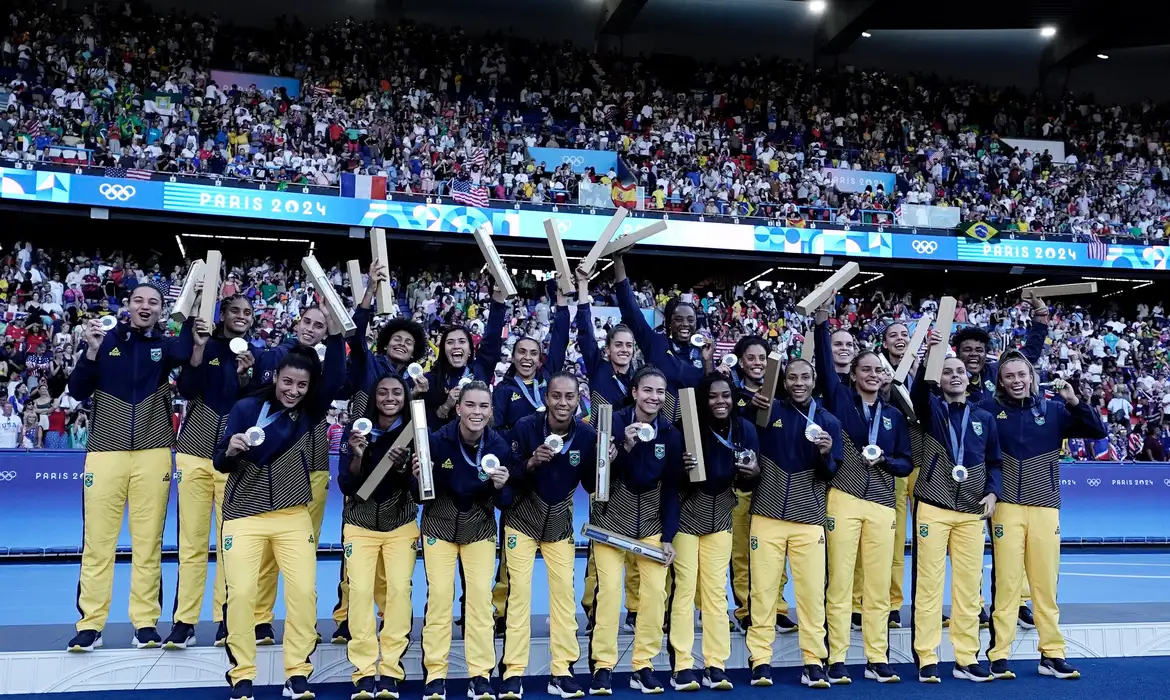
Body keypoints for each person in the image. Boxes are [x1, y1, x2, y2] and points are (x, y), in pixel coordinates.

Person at [214, 338, 345, 700]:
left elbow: (334, 377)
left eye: (302, 385)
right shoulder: (244, 408)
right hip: (244, 516)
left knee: (303, 593)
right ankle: (242, 674)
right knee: (240, 594)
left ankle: (298, 673)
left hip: (293, 516)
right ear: (276, 379)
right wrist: (231, 449)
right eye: (288, 382)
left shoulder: (309, 412)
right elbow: (219, 462)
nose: (293, 390)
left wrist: (336, 334)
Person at [66, 282, 192, 652]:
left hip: (153, 453)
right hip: (105, 452)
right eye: (139, 300)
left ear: (161, 310)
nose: (146, 306)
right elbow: (76, 390)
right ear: (127, 305)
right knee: (97, 544)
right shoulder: (104, 342)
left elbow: (186, 350)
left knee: (148, 543)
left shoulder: (166, 347)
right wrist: (90, 351)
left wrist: (190, 303)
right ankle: (91, 624)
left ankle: (145, 623)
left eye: (154, 302)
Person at [982, 350, 1107, 681]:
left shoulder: (1053, 410)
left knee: (1045, 586)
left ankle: (1052, 654)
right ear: (1000, 381)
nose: (1016, 381)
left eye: (1022, 374)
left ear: (1032, 377)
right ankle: (999, 655)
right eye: (1009, 376)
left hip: (1045, 506)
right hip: (1006, 506)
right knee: (1007, 584)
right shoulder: (989, 410)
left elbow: (1098, 431)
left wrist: (1074, 401)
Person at [815, 303, 913, 684]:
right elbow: (825, 367)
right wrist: (822, 324)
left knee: (876, 585)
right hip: (842, 496)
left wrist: (886, 460)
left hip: (883, 505)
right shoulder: (839, 401)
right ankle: (836, 657)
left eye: (878, 370)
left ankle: (877, 656)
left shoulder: (893, 415)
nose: (873, 375)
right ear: (853, 375)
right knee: (839, 582)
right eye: (865, 369)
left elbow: (905, 462)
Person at [332, 261, 426, 645]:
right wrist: (370, 290)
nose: (402, 344)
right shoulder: (368, 365)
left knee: (395, 546)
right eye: (396, 339)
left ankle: (390, 619)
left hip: (398, 466)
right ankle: (345, 617)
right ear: (385, 341)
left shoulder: (415, 382)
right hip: (362, 453)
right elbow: (354, 330)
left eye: (408, 342)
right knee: (353, 551)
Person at [250, 306, 348, 644]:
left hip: (313, 469)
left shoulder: (323, 372)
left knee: (304, 555)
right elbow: (253, 403)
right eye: (307, 321)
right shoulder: (271, 357)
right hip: (271, 467)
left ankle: (302, 624)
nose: (311, 328)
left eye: (320, 326)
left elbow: (338, 377)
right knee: (266, 552)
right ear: (297, 322)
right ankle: (260, 620)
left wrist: (337, 335)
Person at [166, 292, 258, 649]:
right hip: (193, 455)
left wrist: (244, 376)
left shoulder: (254, 353)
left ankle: (225, 619)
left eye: (247, 311)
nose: (241, 315)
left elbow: (251, 404)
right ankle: (184, 621)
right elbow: (187, 389)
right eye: (235, 310)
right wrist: (199, 350)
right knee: (191, 543)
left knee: (229, 545)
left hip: (232, 460)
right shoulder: (205, 342)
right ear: (222, 315)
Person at [587, 366, 685, 695]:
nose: (653, 397)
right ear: (634, 392)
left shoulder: (670, 433)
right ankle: (602, 666)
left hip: (651, 527)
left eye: (659, 392)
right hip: (611, 522)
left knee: (656, 594)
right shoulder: (611, 423)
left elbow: (671, 487)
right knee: (611, 593)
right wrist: (624, 448)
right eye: (647, 390)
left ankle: (643, 665)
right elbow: (596, 480)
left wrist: (669, 536)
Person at [499, 372, 596, 700]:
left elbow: (592, 487)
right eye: (557, 396)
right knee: (519, 596)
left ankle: (562, 671)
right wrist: (529, 463)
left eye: (570, 397)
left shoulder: (586, 435)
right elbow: (505, 472)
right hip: (522, 522)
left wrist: (605, 463)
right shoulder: (525, 427)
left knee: (564, 597)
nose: (563, 403)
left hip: (558, 525)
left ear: (578, 397)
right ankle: (513, 671)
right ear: (546, 398)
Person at [744, 358, 840, 689]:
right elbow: (743, 435)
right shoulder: (767, 412)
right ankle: (760, 660)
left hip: (809, 520)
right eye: (792, 377)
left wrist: (827, 453)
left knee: (812, 594)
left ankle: (813, 661)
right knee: (763, 592)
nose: (798, 382)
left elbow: (832, 474)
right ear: (784, 382)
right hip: (767, 515)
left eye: (805, 377)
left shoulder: (829, 421)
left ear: (814, 381)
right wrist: (748, 404)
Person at [416, 380, 513, 700]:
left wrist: (502, 486)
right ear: (458, 408)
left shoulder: (498, 446)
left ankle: (480, 674)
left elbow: (505, 503)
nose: (476, 411)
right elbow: (420, 494)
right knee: (441, 599)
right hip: (439, 529)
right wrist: (418, 476)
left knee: (481, 603)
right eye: (470, 405)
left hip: (479, 531)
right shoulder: (437, 440)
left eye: (483, 406)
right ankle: (435, 674)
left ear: (490, 412)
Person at [909, 348, 1001, 683]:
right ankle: (927, 657)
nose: (955, 375)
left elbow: (995, 462)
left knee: (968, 589)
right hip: (934, 506)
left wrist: (993, 491)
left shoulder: (984, 418)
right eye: (947, 371)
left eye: (960, 370)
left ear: (969, 377)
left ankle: (965, 658)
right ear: (940, 378)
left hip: (972, 510)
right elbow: (918, 392)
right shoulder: (931, 410)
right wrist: (926, 361)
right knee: (930, 586)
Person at [666, 373, 757, 691]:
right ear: (703, 400)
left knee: (717, 594)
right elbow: (671, 476)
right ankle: (682, 666)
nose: (721, 401)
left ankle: (715, 665)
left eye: (726, 396)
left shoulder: (744, 428)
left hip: (721, 518)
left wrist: (753, 473)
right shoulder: (686, 428)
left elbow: (749, 481)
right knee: (685, 591)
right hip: (687, 517)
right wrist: (682, 467)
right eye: (713, 396)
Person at [337, 374, 416, 700]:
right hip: (360, 524)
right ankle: (364, 671)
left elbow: (420, 489)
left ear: (405, 397)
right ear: (374, 397)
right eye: (383, 392)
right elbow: (347, 485)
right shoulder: (357, 430)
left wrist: (402, 469)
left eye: (397, 392)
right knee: (359, 593)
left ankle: (391, 670)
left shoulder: (415, 432)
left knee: (398, 592)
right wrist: (357, 454)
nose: (389, 397)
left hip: (401, 524)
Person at [575, 264, 641, 630]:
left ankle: (633, 607)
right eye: (618, 345)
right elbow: (585, 332)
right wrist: (584, 289)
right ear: (607, 349)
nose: (625, 350)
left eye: (629, 346)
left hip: (633, 462)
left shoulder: (640, 382)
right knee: (602, 537)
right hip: (604, 463)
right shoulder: (600, 372)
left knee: (634, 535)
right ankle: (593, 606)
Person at [726, 335, 794, 633]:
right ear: (740, 362)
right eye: (751, 358)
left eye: (762, 358)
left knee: (775, 550)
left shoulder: (782, 394)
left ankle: (777, 607)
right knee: (740, 549)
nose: (756, 363)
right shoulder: (729, 394)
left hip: (774, 484)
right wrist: (744, 405)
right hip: (741, 481)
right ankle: (745, 609)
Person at [613, 252, 711, 423]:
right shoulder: (656, 343)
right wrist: (618, 259)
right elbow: (630, 309)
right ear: (669, 322)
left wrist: (709, 362)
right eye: (678, 319)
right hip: (654, 427)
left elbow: (711, 390)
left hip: (693, 430)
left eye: (690, 320)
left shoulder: (703, 352)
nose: (685, 324)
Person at [422, 288, 508, 425]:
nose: (456, 346)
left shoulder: (480, 369)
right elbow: (424, 425)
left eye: (462, 341)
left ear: (469, 350)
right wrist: (446, 406)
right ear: (443, 350)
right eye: (450, 342)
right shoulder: (431, 379)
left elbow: (491, 339)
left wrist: (498, 295)